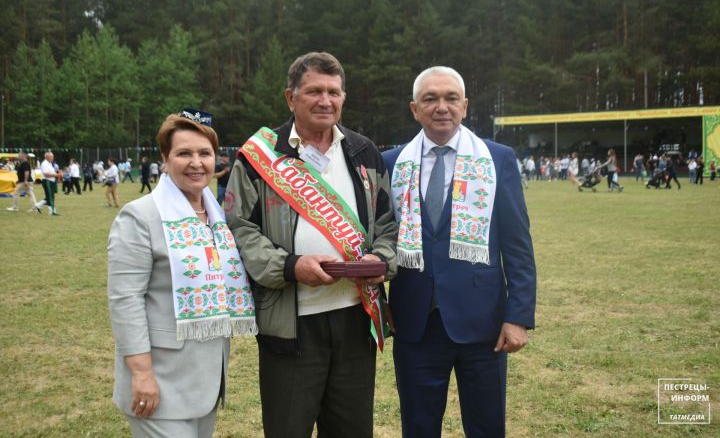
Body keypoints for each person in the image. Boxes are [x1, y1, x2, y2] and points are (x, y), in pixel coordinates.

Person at [226, 51, 398, 438]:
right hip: (289, 325)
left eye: (334, 92)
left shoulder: (364, 152)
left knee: (352, 431)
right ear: (291, 98)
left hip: (356, 320)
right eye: (314, 91)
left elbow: (388, 225)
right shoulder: (259, 158)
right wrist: (290, 267)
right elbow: (239, 230)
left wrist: (379, 260)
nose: (326, 100)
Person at [383, 66, 537, 437]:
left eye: (451, 98)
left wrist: (518, 316)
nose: (441, 107)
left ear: (465, 106)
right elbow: (379, 242)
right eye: (430, 99)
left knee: (486, 427)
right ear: (414, 109)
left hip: (484, 325)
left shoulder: (497, 159)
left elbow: (518, 246)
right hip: (414, 323)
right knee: (418, 427)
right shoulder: (390, 163)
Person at [108, 113, 256, 438]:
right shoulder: (140, 216)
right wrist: (141, 372)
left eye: (204, 153)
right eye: (184, 154)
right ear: (165, 159)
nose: (196, 163)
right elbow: (125, 301)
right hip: (160, 381)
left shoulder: (218, 217)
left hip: (205, 384)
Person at [39, 151, 59, 215]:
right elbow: (46, 174)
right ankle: (52, 211)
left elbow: (51, 172)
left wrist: (57, 173)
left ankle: (38, 205)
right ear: (47, 157)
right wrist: (56, 175)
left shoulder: (49, 163)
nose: (53, 158)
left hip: (51, 181)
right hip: (47, 181)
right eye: (52, 157)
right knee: (50, 196)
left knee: (49, 196)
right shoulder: (44, 164)